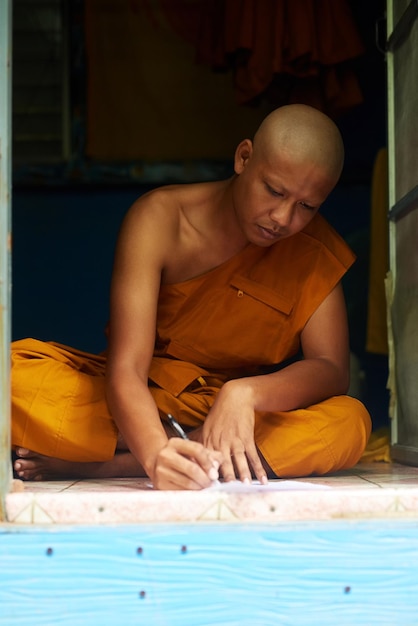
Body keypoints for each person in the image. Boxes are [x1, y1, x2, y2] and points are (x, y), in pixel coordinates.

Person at [11, 104, 371, 490]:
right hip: (143, 398)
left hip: (238, 415)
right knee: (11, 378)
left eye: (306, 206)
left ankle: (110, 464)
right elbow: (127, 369)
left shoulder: (314, 250)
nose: (283, 218)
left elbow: (331, 368)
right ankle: (171, 452)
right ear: (244, 157)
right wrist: (153, 452)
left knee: (349, 421)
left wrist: (244, 395)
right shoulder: (161, 219)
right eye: (274, 190)